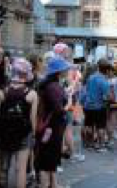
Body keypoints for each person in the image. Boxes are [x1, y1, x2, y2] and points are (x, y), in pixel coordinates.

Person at [0, 58, 39, 188]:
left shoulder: (1, 92)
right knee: (20, 170)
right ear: (26, 75)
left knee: (3, 167)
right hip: (23, 134)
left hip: (3, 133)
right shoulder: (32, 94)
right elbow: (33, 119)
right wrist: (34, 135)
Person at [36, 57, 71, 188]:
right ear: (59, 72)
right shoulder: (53, 86)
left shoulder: (50, 85)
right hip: (52, 128)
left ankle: (54, 184)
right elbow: (59, 110)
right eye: (65, 69)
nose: (67, 70)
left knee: (51, 158)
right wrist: (68, 105)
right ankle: (46, 185)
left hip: (50, 127)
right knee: (48, 159)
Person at [82, 59, 112, 152]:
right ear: (107, 70)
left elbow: (86, 90)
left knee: (88, 125)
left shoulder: (90, 77)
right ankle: (101, 146)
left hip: (87, 105)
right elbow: (108, 96)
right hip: (99, 106)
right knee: (100, 127)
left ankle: (89, 144)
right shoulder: (104, 81)